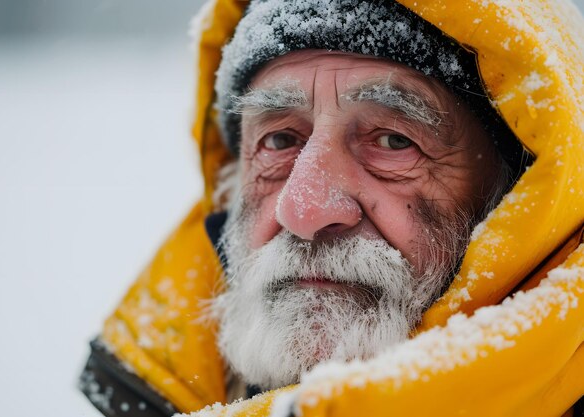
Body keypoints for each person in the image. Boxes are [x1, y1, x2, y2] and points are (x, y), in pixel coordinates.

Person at [79, 1, 584, 416]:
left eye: (392, 140)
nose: (303, 210)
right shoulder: (167, 381)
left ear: (524, 199)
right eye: (279, 139)